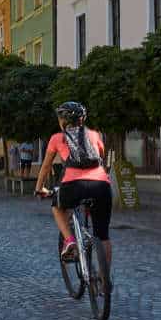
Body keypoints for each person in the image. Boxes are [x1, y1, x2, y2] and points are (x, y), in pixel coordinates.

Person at [34, 101, 112, 265]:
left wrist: (39, 187)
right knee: (103, 236)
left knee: (57, 206)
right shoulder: (95, 135)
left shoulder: (57, 138)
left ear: (62, 121)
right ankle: (105, 282)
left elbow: (46, 165)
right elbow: (101, 158)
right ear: (82, 120)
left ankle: (70, 240)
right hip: (101, 186)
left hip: (73, 186)